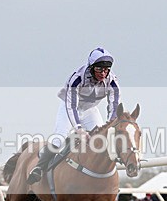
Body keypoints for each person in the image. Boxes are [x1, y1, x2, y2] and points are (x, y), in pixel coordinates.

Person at [27, 47, 120, 184]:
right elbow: (72, 107)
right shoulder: (77, 78)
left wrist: (111, 126)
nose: (103, 73)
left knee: (102, 140)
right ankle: (39, 168)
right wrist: (79, 129)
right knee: (59, 140)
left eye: (106, 70)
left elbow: (114, 106)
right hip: (69, 107)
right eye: (99, 69)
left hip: (90, 110)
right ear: (91, 67)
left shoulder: (112, 81)